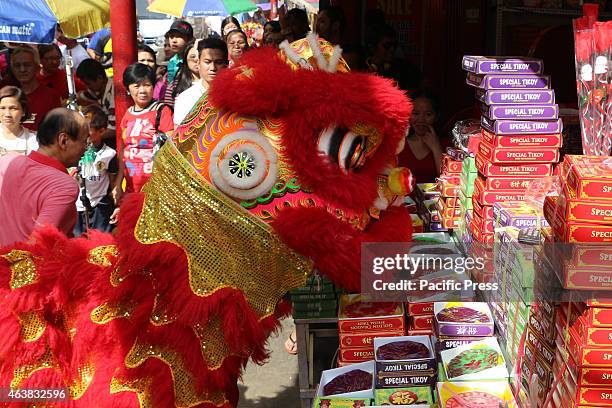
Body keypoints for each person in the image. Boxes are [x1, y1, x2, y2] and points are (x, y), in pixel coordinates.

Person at [0, 107, 88, 246]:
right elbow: (39, 243)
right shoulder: (64, 185)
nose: (86, 147)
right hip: (32, 264)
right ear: (63, 140)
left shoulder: (7, 161)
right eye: (84, 141)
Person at [118, 63, 173, 195]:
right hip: (131, 186)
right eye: (136, 86)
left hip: (156, 186)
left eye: (147, 85)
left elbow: (170, 148)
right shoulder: (128, 114)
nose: (142, 90)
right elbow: (122, 152)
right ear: (127, 89)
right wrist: (118, 184)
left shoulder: (162, 111)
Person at [74, 105, 117, 236]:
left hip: (100, 205)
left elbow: (113, 181)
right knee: (77, 242)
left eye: (88, 130)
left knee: (100, 243)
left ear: (102, 131)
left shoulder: (109, 154)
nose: (84, 133)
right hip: (78, 205)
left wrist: (117, 203)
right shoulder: (74, 151)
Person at [174, 38, 228, 126]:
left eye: (218, 62)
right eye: (207, 62)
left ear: (226, 65)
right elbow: (179, 135)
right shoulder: (185, 98)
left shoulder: (236, 97)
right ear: (198, 63)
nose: (213, 68)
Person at [397, 89, 445, 183]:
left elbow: (448, 182)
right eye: (415, 113)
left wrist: (436, 148)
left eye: (428, 114)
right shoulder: (399, 146)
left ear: (436, 116)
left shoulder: (445, 145)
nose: (421, 119)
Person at [9, 46, 61, 131]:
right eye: (17, 66)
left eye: (27, 65)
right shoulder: (8, 97)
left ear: (37, 67)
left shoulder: (51, 96)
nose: (22, 69)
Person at [160, 20, 194, 107]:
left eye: (179, 36)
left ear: (189, 39)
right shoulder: (172, 61)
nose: (174, 41)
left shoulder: (194, 60)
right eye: (171, 37)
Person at [76, 59, 115, 130]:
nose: (87, 87)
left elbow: (113, 129)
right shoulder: (97, 89)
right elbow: (81, 96)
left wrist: (94, 138)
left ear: (100, 78)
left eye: (88, 84)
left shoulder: (112, 95)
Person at [0, 86, 37, 157]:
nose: (7, 114)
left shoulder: (33, 140)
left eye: (13, 108)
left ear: (23, 111)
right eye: (2, 108)